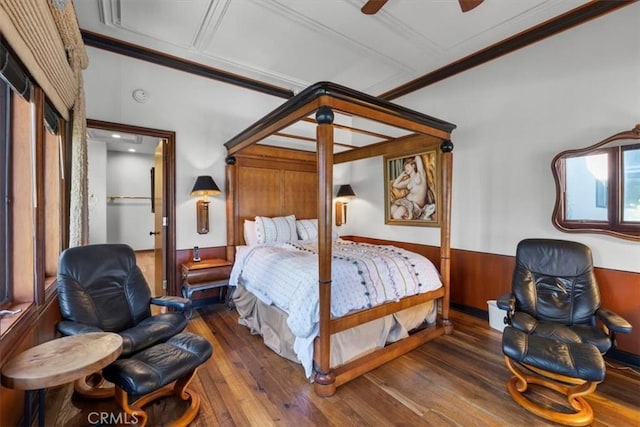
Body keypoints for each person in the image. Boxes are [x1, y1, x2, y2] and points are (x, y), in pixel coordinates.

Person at [390, 154, 435, 220]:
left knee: (396, 216)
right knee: (392, 209)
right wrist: (401, 176)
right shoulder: (408, 181)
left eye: (407, 166)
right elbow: (395, 185)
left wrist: (411, 161)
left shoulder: (420, 175)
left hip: (414, 206)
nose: (406, 169)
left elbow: (417, 157)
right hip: (405, 202)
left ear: (413, 166)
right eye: (405, 168)